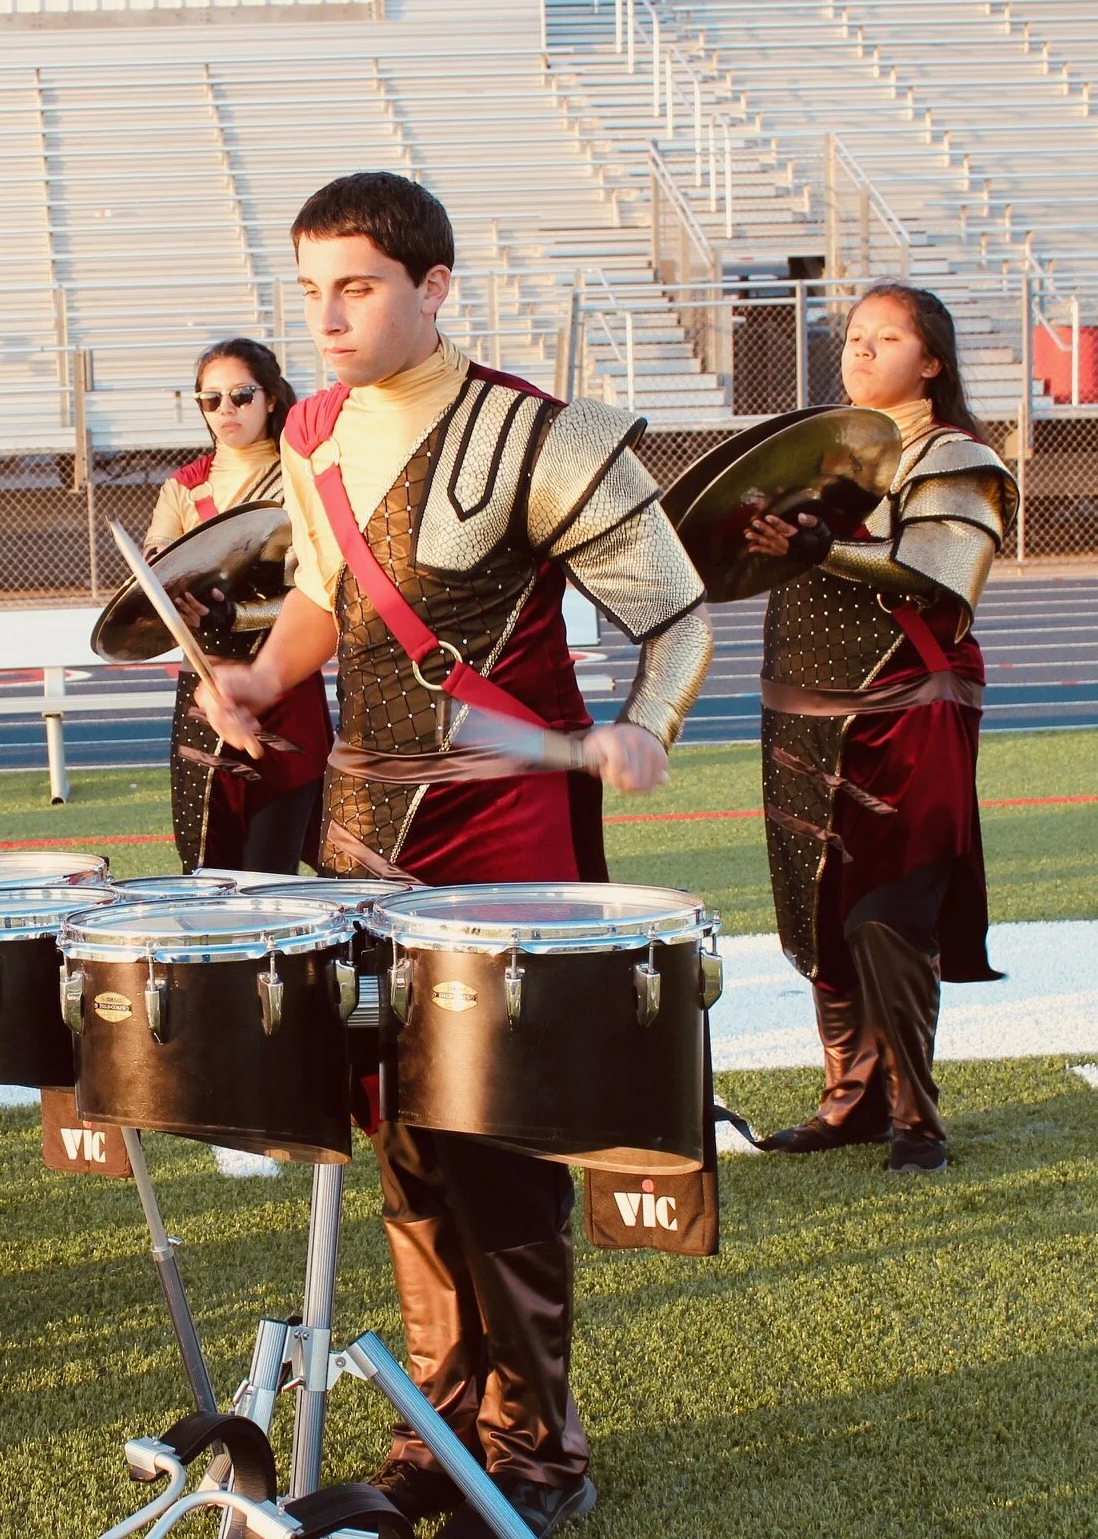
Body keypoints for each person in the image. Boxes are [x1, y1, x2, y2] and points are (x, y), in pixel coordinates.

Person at [196, 172, 714, 1538]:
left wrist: (641, 725)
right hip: (358, 837)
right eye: (309, 291)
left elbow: (678, 617)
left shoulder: (542, 437)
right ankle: (436, 1424)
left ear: (432, 289)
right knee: (406, 1144)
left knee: (499, 1149)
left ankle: (535, 1449)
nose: (327, 316)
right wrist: (258, 682)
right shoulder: (308, 433)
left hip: (506, 842)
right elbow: (321, 595)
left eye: (355, 287)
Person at [743, 283, 1012, 1174]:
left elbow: (937, 577)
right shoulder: (827, 453)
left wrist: (821, 545)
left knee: (888, 913)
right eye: (853, 337)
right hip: (802, 708)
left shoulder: (955, 455)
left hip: (903, 707)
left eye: (884, 338)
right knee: (817, 910)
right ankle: (849, 1101)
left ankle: (916, 1118)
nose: (859, 351)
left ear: (930, 358)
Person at [142, 338, 331, 874]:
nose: (226, 410)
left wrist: (236, 616)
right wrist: (171, 599)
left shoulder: (305, 476)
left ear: (271, 398)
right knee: (206, 865)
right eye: (211, 399)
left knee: (270, 871)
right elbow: (152, 583)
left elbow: (320, 588)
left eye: (241, 396)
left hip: (286, 686)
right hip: (203, 686)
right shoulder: (182, 488)